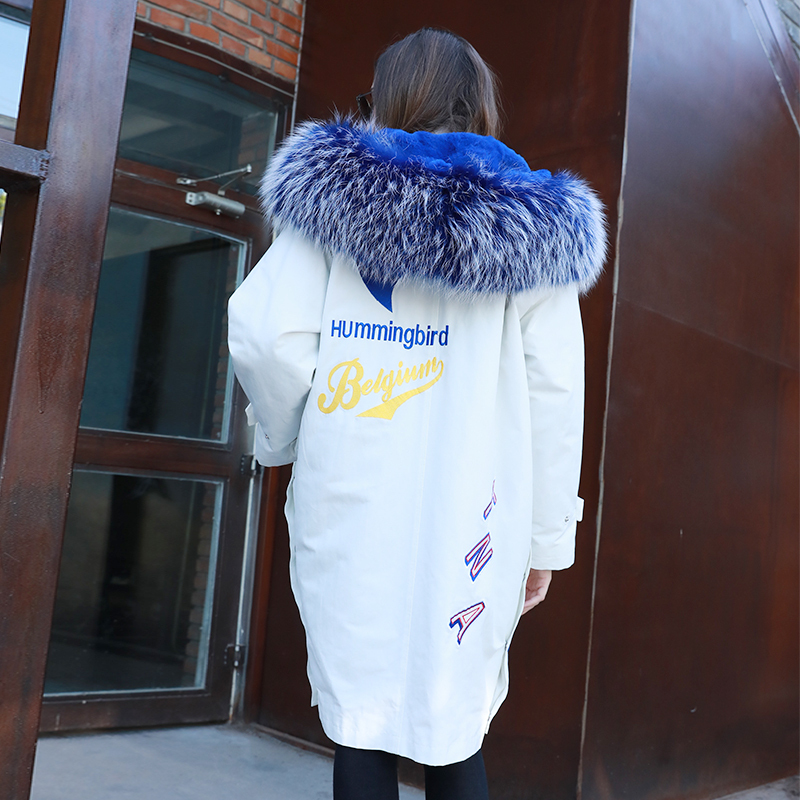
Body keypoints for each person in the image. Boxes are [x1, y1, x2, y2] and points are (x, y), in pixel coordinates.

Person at [228, 27, 606, 800]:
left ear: (385, 97)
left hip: (349, 500)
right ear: (481, 106)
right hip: (478, 519)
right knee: (453, 723)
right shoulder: (535, 227)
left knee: (359, 719)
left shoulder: (328, 203)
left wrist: (285, 439)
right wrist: (544, 539)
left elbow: (265, 337)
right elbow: (555, 394)